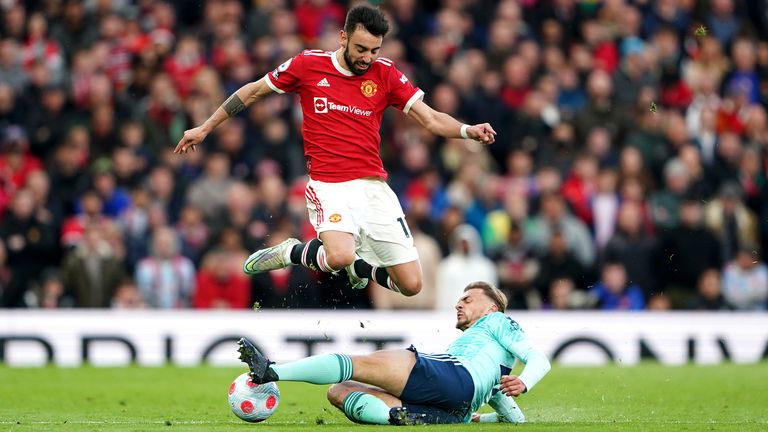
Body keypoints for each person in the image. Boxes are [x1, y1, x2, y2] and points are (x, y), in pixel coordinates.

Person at [174, 4, 496, 297]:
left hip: (373, 188)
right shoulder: (308, 65)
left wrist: (467, 131)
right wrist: (205, 127)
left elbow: (430, 118)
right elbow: (254, 90)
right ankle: (292, 252)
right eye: (360, 49)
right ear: (343, 37)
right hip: (330, 186)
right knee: (339, 254)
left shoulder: (384, 73)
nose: (367, 58)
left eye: (374, 50)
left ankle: (360, 268)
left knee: (411, 285)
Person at [236, 281, 550, 425]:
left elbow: (540, 358)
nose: (459, 303)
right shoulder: (492, 364)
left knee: (361, 364)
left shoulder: (498, 321)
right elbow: (515, 420)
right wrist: (481, 418)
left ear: (491, 307)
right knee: (339, 391)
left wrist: (526, 382)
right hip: (454, 408)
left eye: (468, 299)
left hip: (450, 376)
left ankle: (273, 371)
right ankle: (398, 418)